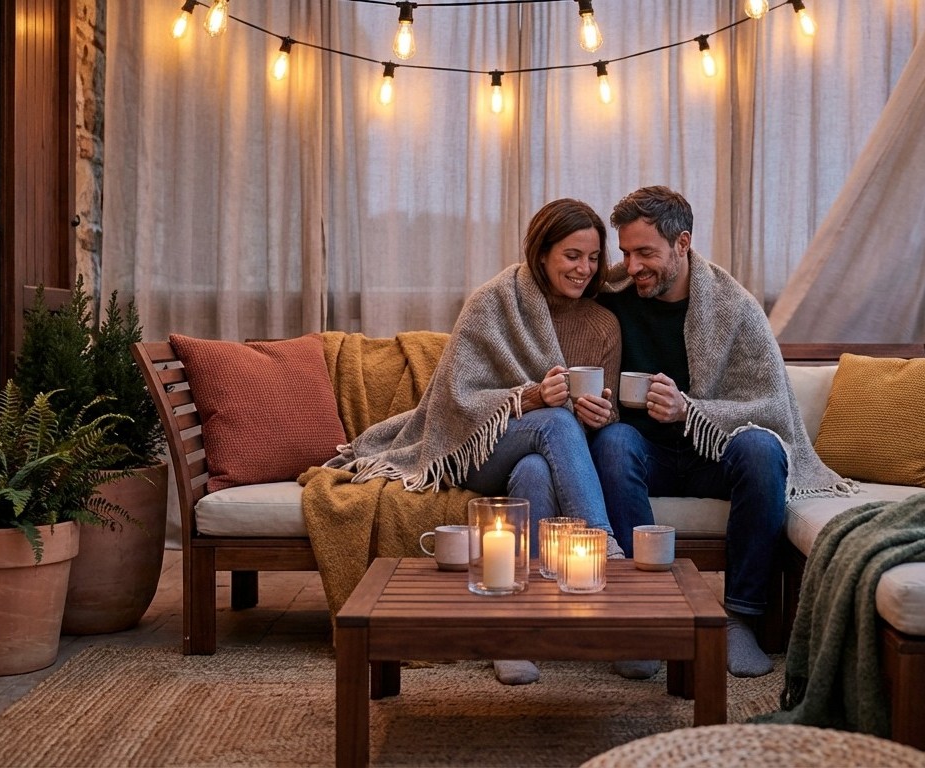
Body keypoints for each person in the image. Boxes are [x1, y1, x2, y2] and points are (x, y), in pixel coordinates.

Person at [326, 198, 624, 686]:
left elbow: (600, 413)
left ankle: (514, 634)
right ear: (542, 252)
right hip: (477, 449)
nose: (584, 269)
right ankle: (606, 557)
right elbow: (455, 401)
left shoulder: (603, 324)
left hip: (547, 453)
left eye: (593, 258)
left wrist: (599, 413)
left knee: (536, 469)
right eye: (572, 256)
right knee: (554, 423)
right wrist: (530, 397)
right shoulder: (493, 302)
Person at [591, 186, 849, 679]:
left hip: (715, 459)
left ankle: (740, 619)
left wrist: (690, 410)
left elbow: (770, 405)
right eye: (625, 252)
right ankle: (645, 613)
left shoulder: (734, 306)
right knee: (614, 442)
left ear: (682, 243)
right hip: (645, 455)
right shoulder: (614, 296)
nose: (633, 264)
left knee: (761, 448)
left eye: (646, 252)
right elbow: (550, 297)